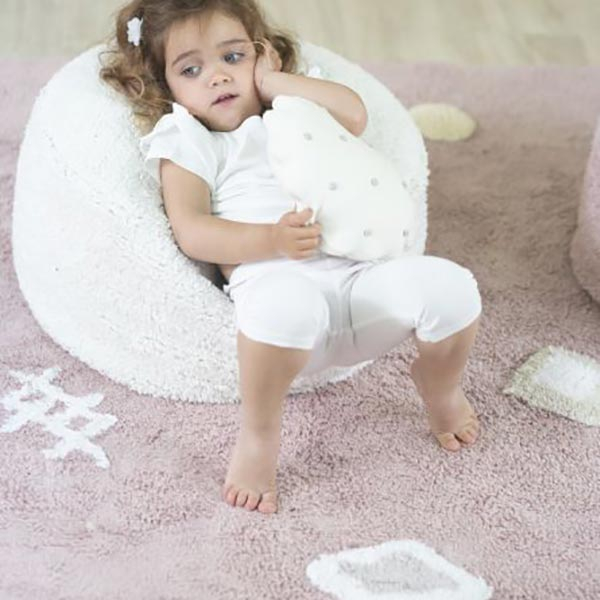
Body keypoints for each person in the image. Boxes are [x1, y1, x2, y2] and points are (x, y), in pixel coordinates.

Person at [100, 0, 483, 515]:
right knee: (287, 306)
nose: (217, 77)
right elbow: (192, 231)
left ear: (262, 54)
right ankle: (260, 434)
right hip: (279, 300)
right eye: (191, 70)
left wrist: (276, 84)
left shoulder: (295, 108)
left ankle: (441, 386)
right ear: (165, 85)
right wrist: (271, 242)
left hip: (360, 281)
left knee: (452, 289)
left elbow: (356, 115)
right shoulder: (191, 140)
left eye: (233, 57)